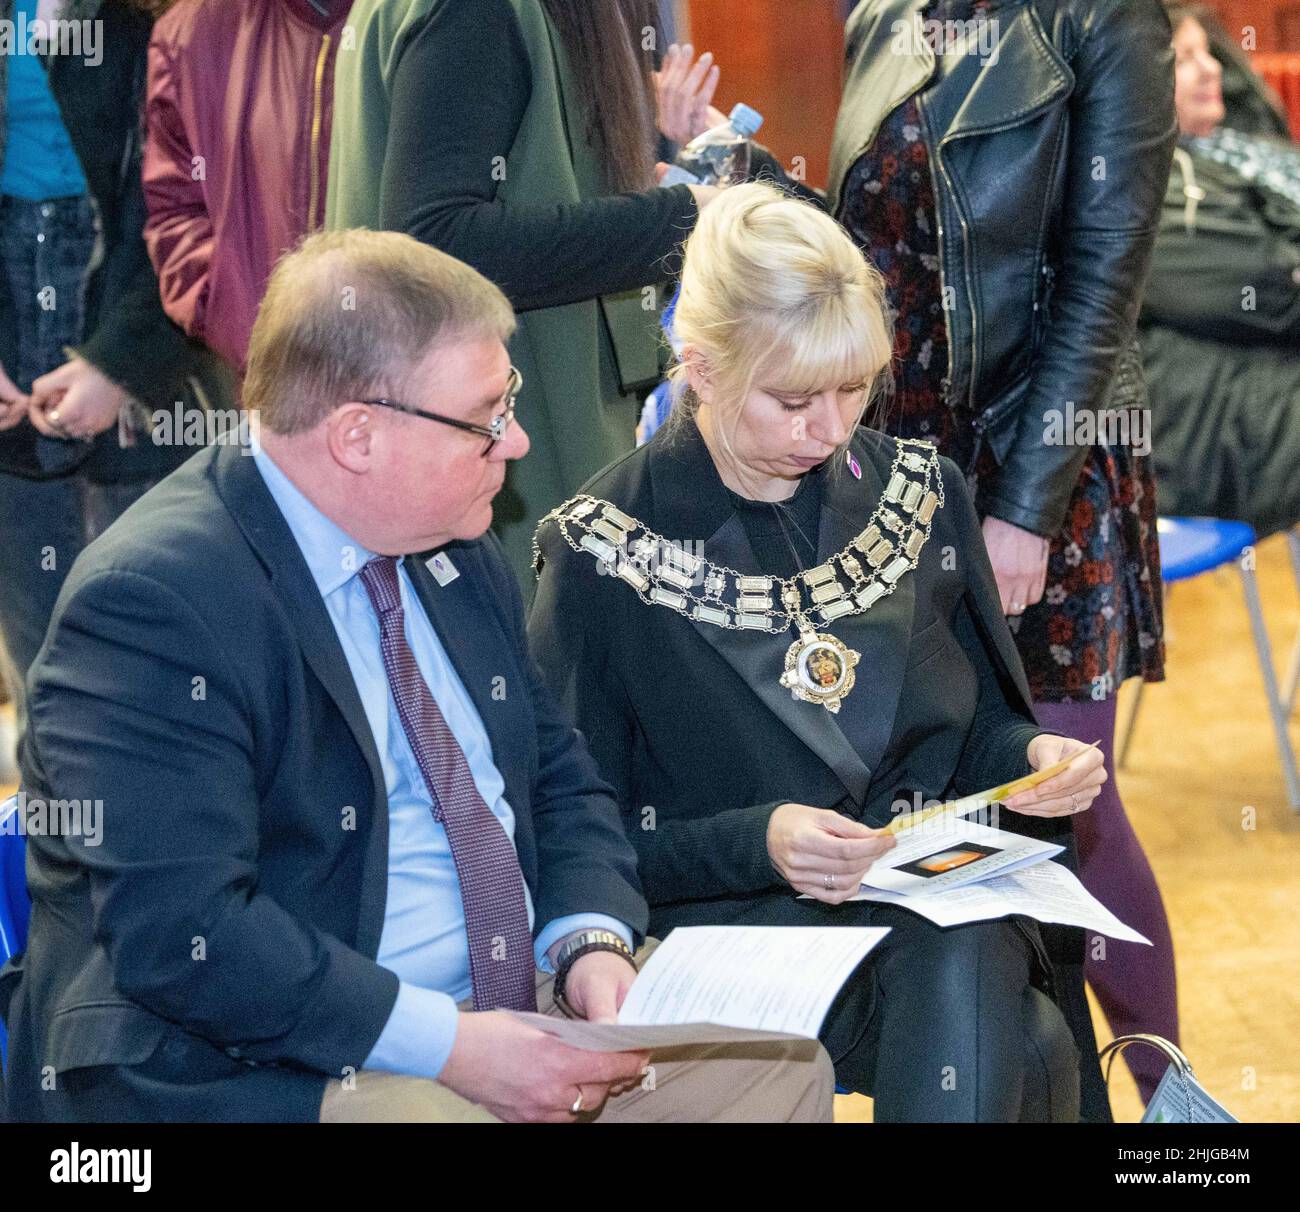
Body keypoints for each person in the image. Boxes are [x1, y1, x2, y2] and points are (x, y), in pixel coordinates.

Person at [0, 228, 833, 1123]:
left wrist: (588, 942)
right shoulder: (154, 604)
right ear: (358, 435)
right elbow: (189, 935)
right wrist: (451, 1046)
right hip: (264, 1060)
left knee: (779, 1071)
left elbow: (556, 779)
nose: (514, 443)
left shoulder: (448, 544)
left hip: (504, 1013)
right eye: (485, 416)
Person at [530, 183, 1111, 1122]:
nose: (834, 430)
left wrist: (1031, 762)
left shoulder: (922, 492)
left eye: (854, 389)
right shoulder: (602, 546)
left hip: (919, 929)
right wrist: (758, 839)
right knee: (1022, 1037)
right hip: (733, 931)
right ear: (701, 369)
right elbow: (574, 838)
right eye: (795, 399)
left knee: (977, 962)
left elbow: (978, 731)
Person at [815, 0, 1182, 1105]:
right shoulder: (883, 15)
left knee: (1064, 801)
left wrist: (1023, 510)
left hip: (1042, 473)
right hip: (900, 476)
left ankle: (1170, 1103)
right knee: (945, 790)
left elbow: (1100, 287)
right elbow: (877, 242)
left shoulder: (1105, 20)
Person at [326, 0, 724, 585]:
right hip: (493, 450)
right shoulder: (476, 13)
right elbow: (437, 244)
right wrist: (678, 219)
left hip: (518, 437)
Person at [0, 0, 227, 706]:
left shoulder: (171, 22)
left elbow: (203, 208)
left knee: (163, 652)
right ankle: (66, 808)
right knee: (47, 653)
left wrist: (122, 365)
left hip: (147, 357)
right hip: (13, 349)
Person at [1140, 4, 1300, 538]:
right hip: (1201, 421)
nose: (1213, 70)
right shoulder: (1152, 185)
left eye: (1209, 52)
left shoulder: (1230, 150)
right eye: (1187, 60)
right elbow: (1267, 289)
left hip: (1253, 372)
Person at [143, 0, 351, 373]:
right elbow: (175, 201)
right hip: (269, 385)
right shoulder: (195, 31)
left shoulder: (421, 17)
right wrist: (227, 312)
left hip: (421, 388)